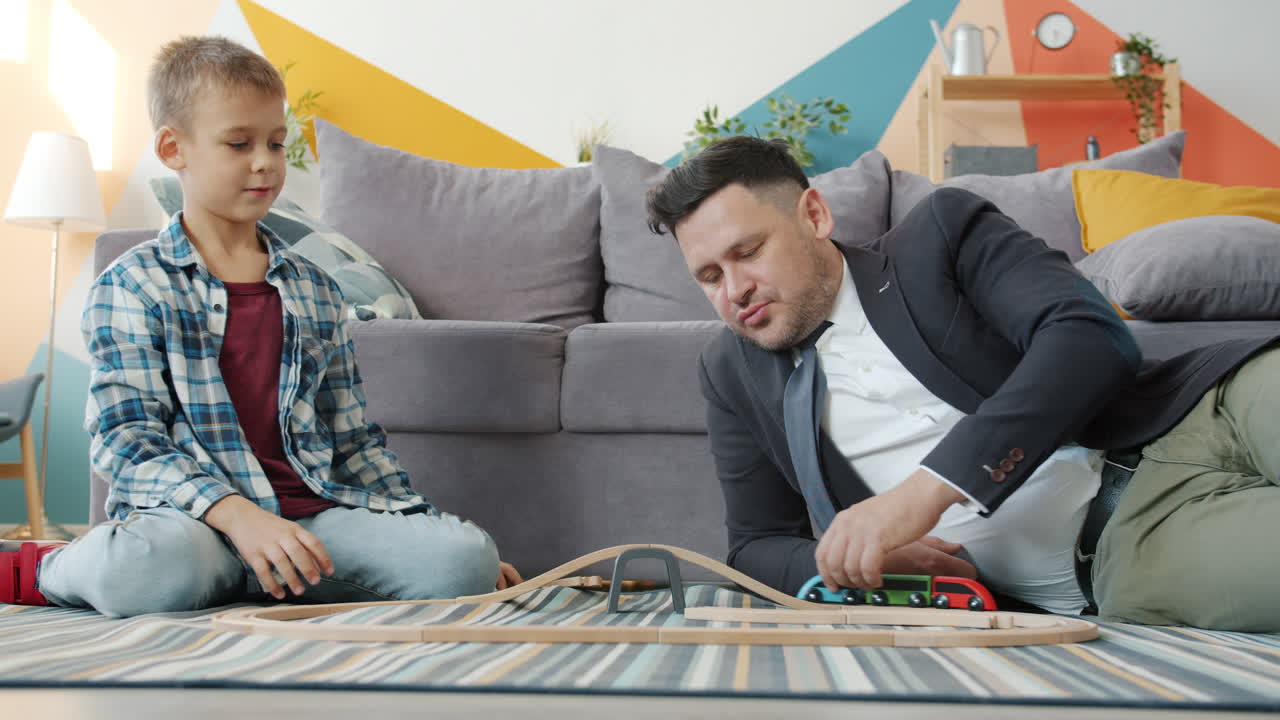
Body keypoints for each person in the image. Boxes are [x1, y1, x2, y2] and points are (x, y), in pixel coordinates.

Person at [645, 136, 1279, 631]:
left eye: (748, 250)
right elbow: (753, 546)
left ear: (813, 214)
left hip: (1213, 405)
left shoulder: (940, 235)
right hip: (1128, 547)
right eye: (708, 276)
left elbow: (1087, 335)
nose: (734, 292)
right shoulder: (732, 372)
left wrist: (931, 487)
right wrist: (850, 559)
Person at [0, 36, 520, 616]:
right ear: (174, 148)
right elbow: (128, 442)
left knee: (463, 559)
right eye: (239, 143)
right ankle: (46, 566)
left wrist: (426, 540)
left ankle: (246, 580)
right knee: (157, 568)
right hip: (194, 526)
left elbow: (352, 441)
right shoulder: (133, 285)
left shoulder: (316, 290)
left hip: (308, 523)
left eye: (276, 142)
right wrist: (236, 514)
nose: (266, 162)